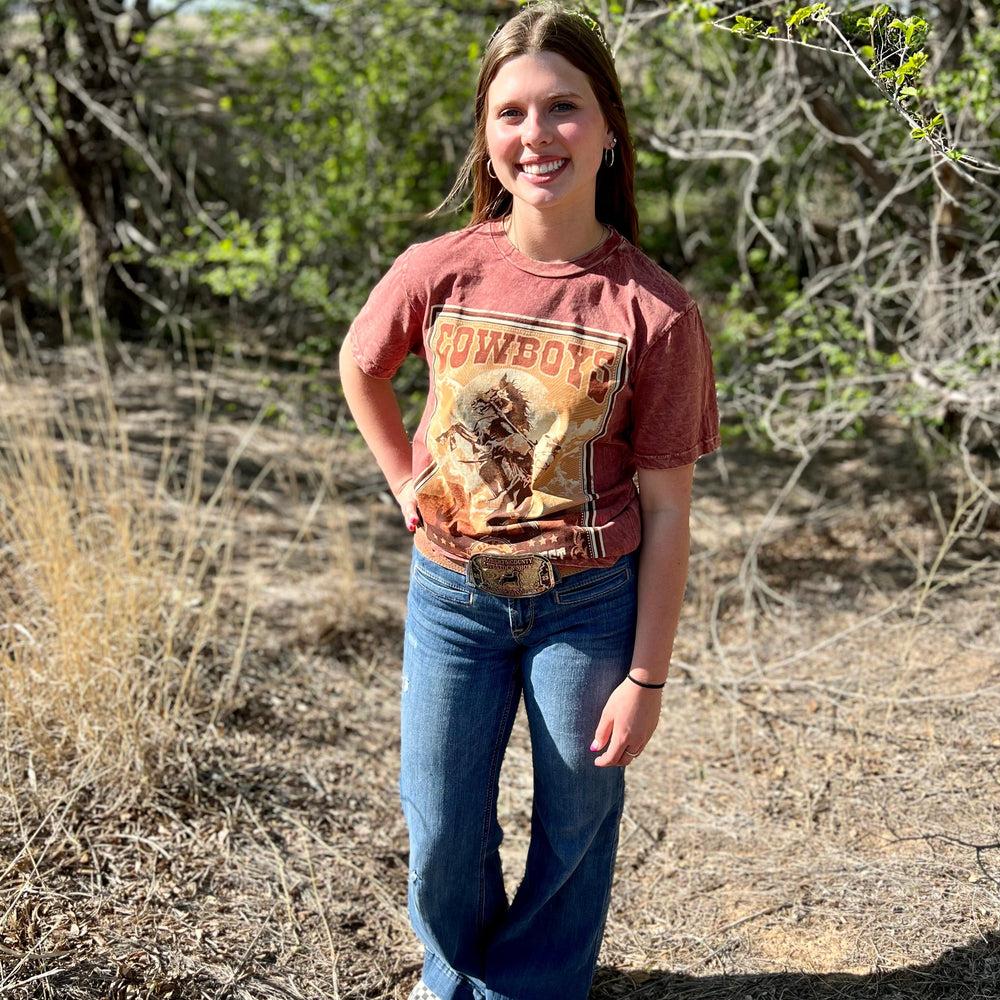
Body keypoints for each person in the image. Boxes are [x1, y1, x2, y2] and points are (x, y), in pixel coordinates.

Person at [339, 3, 721, 998]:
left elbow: (670, 510)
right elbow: (360, 362)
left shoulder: (655, 311)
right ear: (486, 135)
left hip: (586, 605)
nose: (535, 135)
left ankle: (531, 987)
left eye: (562, 108)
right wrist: (405, 476)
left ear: (607, 130)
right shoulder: (442, 269)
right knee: (438, 813)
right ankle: (453, 969)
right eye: (511, 112)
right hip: (452, 599)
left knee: (576, 817)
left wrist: (646, 679)